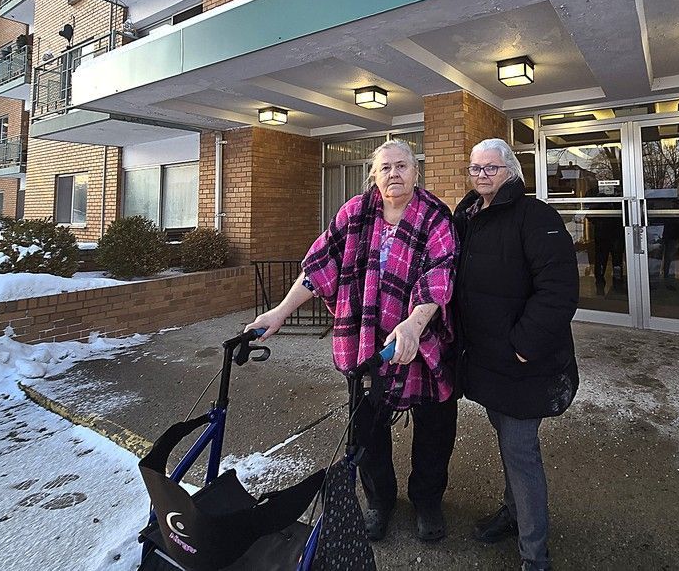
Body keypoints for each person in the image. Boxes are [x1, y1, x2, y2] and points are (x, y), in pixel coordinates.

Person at [246, 139, 458, 543]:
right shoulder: (354, 213)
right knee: (366, 429)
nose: (393, 173)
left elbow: (440, 275)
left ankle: (427, 500)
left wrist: (413, 325)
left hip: (421, 341)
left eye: (402, 166)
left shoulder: (435, 217)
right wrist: (280, 311)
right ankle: (380, 501)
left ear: (416, 172)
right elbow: (318, 266)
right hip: (367, 345)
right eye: (385, 168)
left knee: (435, 428)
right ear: (373, 175)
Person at [453, 138, 579, 571]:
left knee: (521, 450)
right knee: (508, 444)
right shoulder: (467, 217)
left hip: (524, 362)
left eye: (491, 168)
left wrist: (525, 345)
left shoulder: (535, 215)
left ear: (512, 171)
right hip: (488, 360)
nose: (482, 175)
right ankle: (513, 512)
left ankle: (534, 554)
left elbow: (559, 289)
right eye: (475, 168)